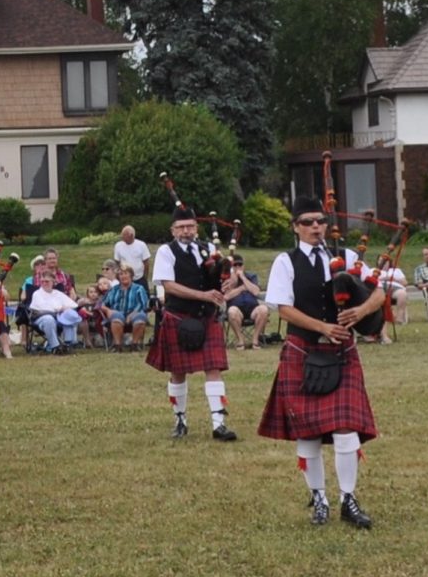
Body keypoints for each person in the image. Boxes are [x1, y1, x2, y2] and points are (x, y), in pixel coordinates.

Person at [257, 198, 381, 528]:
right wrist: (323, 327)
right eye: (308, 222)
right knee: (308, 433)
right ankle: (320, 499)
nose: (316, 227)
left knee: (345, 428)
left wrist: (362, 311)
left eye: (320, 221)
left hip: (341, 354)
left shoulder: (347, 257)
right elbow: (284, 309)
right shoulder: (287, 261)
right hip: (303, 350)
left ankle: (348, 500)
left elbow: (379, 291)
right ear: (295, 227)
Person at [150, 205, 238, 442]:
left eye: (190, 226)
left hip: (206, 317)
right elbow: (169, 285)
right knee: (178, 372)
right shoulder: (166, 252)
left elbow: (223, 276)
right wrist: (204, 295)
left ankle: (219, 424)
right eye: (181, 227)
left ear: (196, 228)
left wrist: (228, 282)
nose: (186, 231)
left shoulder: (209, 249)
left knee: (214, 368)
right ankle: (180, 419)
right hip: (179, 316)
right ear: (173, 230)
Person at [27, 273, 82, 354]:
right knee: (49, 319)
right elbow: (43, 308)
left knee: (69, 315)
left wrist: (65, 309)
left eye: (47, 281)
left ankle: (68, 344)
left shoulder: (58, 293)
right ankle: (55, 347)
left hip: (58, 318)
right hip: (41, 318)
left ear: (53, 282)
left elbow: (73, 305)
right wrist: (59, 309)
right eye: (42, 281)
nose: (44, 283)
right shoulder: (37, 294)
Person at [102, 264, 151, 352]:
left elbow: (144, 304)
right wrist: (107, 310)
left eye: (126, 273)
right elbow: (101, 304)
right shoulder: (113, 290)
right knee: (116, 316)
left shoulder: (139, 288)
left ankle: (134, 345)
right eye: (121, 274)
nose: (123, 276)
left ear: (131, 275)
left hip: (135, 312)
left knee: (140, 317)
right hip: (118, 313)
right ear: (118, 277)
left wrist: (132, 313)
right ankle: (118, 346)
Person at [223, 259, 267, 350]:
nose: (238, 267)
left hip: (252, 309)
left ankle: (255, 340)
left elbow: (256, 292)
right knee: (232, 311)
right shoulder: (227, 278)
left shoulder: (251, 276)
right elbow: (226, 297)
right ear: (232, 267)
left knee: (263, 309)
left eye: (240, 265)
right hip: (237, 310)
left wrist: (243, 278)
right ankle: (240, 340)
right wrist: (241, 288)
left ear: (244, 266)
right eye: (235, 265)